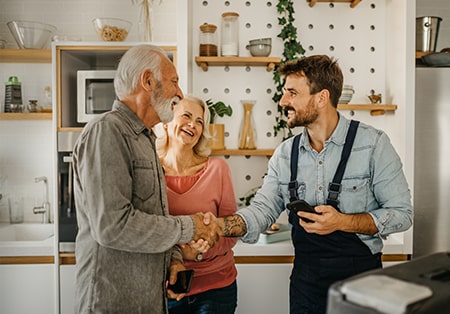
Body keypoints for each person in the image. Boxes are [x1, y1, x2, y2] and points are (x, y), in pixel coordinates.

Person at [205, 55, 413, 314]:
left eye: (292, 93)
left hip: (363, 284)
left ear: (321, 98)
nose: (283, 102)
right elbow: (262, 210)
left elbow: (402, 215)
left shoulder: (373, 145)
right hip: (307, 284)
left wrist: (342, 222)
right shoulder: (285, 154)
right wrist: (220, 226)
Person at [72, 44, 219, 313]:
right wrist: (190, 227)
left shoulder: (145, 139)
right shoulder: (107, 132)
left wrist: (173, 260)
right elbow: (112, 226)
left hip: (147, 301)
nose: (180, 93)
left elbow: (154, 215)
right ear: (148, 81)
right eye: (174, 81)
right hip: (112, 303)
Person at [156, 95, 238, 314]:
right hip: (167, 288)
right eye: (187, 116)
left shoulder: (218, 169)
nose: (193, 124)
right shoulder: (151, 172)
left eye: (200, 121)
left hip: (216, 289)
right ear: (166, 121)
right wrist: (179, 256)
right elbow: (147, 229)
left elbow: (231, 229)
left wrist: (199, 252)